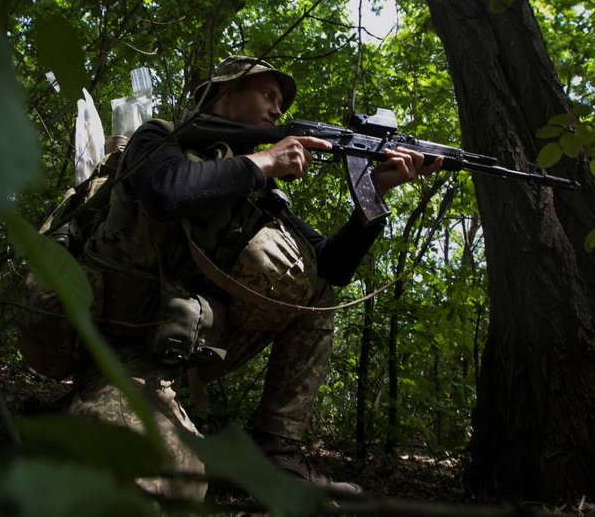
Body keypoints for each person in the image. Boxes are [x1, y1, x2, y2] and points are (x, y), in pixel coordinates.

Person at [67, 55, 441, 499]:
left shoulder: (258, 190)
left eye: (280, 102)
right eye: (267, 95)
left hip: (191, 352)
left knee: (314, 289)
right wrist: (263, 161)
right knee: (159, 483)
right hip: (122, 354)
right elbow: (166, 192)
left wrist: (373, 195)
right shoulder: (160, 137)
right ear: (226, 96)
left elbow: (330, 269)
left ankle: (275, 454)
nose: (277, 110)